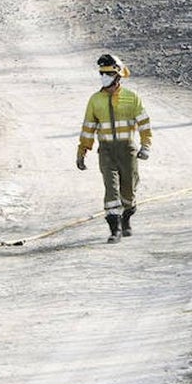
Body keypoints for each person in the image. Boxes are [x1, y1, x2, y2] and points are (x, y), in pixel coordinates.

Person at [76, 54, 153, 243]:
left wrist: (146, 146)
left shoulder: (131, 98)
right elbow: (88, 128)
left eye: (108, 73)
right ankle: (114, 229)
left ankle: (126, 217)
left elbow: (144, 124)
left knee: (128, 191)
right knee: (111, 190)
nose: (104, 77)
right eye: (102, 73)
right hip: (106, 152)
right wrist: (82, 151)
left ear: (118, 75)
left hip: (127, 151)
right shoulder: (95, 100)